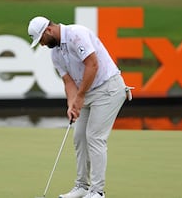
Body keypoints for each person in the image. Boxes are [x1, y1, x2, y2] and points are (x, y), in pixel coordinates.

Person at [28, 16, 130, 198]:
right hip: (87, 92)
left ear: (48, 31)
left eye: (41, 40)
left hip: (108, 89)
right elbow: (68, 81)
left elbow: (92, 64)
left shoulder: (77, 34)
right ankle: (82, 186)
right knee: (79, 137)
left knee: (95, 137)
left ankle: (97, 192)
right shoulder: (55, 53)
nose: (42, 45)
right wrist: (72, 104)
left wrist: (80, 96)